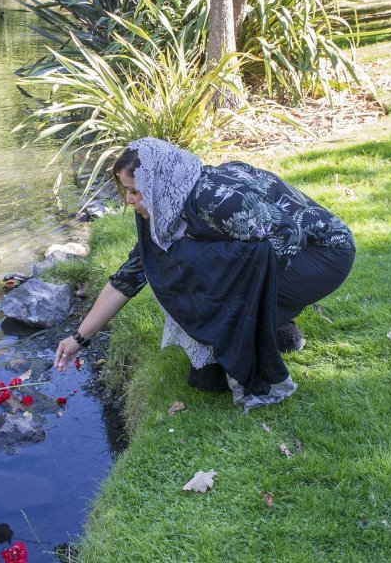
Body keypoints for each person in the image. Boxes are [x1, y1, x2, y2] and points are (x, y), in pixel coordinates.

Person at [54, 138, 355, 409]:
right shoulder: (167, 210)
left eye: (134, 191)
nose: (129, 200)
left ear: (159, 182)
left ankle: (264, 336)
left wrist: (236, 288)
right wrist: (79, 337)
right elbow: (132, 275)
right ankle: (279, 333)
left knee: (205, 278)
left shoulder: (214, 199)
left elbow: (289, 236)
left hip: (324, 254)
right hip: (295, 250)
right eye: (126, 191)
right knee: (187, 270)